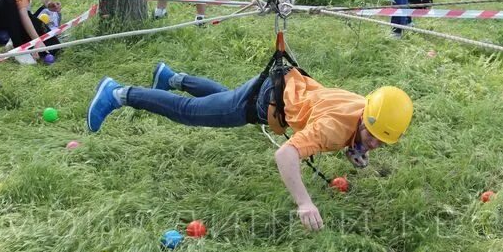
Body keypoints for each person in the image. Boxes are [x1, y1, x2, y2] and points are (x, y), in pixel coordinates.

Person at [86, 62, 413, 231]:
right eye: (371, 137)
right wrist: (304, 204)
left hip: (281, 87)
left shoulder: (363, 106)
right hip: (263, 102)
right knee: (192, 112)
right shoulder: (332, 129)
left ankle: (170, 77)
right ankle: (119, 93)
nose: (374, 144)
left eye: (381, 142)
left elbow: (348, 126)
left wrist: (358, 145)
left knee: (224, 98)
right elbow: (285, 154)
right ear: (366, 116)